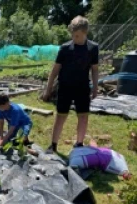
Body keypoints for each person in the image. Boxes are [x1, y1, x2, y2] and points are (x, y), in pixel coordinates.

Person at [42, 16, 99, 153]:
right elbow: (54, 70)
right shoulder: (65, 48)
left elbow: (95, 69)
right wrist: (48, 89)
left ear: (85, 33)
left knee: (83, 116)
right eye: (73, 36)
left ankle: (79, 144)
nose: (74, 38)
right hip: (65, 87)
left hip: (83, 87)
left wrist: (95, 87)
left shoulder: (93, 48)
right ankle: (53, 145)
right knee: (61, 115)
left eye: (77, 36)